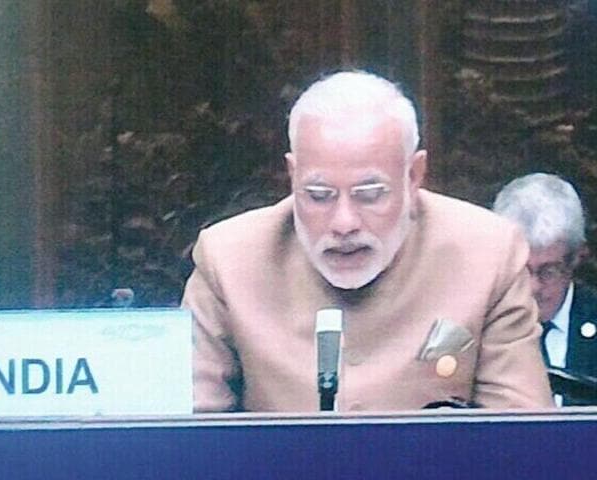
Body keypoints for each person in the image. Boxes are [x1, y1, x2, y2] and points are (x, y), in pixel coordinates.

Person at [182, 71, 553, 412]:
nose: (344, 223)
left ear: (413, 175)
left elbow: (527, 444)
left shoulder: (487, 253)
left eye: (369, 194)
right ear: (293, 175)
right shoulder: (228, 259)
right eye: (318, 195)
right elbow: (184, 441)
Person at [493, 173, 597, 405]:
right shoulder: (475, 328)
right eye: (521, 270)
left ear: (577, 257)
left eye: (549, 271)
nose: (533, 287)